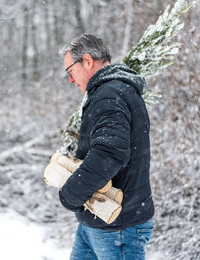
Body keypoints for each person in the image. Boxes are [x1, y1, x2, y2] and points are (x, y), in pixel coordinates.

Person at [59, 33, 155, 260]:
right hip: (98, 221)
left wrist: (71, 193)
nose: (71, 80)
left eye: (70, 70)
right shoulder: (113, 90)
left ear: (88, 61)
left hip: (117, 226)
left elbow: (110, 153)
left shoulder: (109, 94)